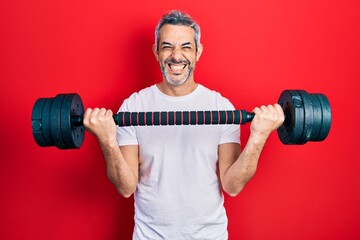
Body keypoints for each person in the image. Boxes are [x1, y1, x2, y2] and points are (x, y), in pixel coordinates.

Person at [83, 10, 284, 240]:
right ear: (156, 52)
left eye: (186, 47)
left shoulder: (222, 107)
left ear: (198, 52)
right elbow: (126, 187)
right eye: (167, 46)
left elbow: (232, 185)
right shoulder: (134, 106)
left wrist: (258, 137)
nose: (176, 56)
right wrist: (107, 140)